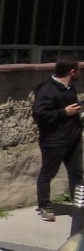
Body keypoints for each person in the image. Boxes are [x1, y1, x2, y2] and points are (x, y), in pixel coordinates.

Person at [31, 58, 82, 223]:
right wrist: (63, 112)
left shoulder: (70, 88)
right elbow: (39, 115)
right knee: (48, 174)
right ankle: (44, 206)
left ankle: (79, 207)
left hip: (73, 140)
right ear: (72, 72)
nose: (80, 72)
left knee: (77, 174)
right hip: (54, 141)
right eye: (78, 69)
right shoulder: (47, 89)